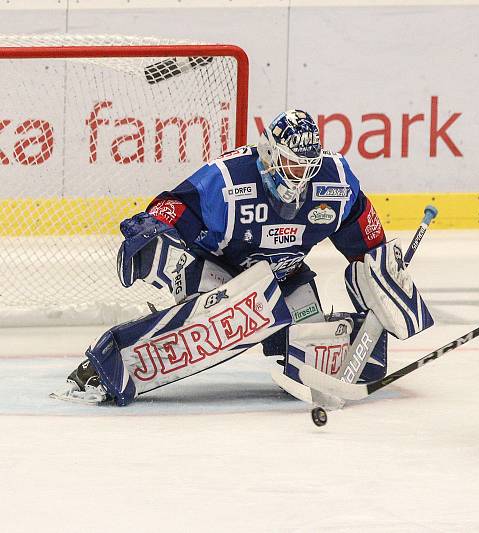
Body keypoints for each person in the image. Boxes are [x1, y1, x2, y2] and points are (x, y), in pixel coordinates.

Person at [53, 109, 432, 406]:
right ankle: (110, 366)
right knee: (243, 302)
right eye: (291, 165)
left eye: (307, 168)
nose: (299, 178)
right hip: (220, 273)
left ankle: (291, 346)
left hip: (285, 274)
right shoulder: (228, 180)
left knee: (315, 342)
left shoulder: (334, 182)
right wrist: (150, 231)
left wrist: (383, 268)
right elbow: (174, 208)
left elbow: (362, 229)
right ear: (268, 153)